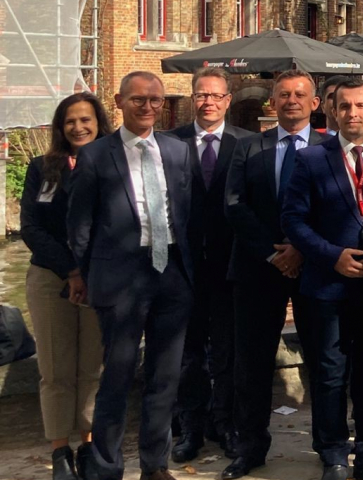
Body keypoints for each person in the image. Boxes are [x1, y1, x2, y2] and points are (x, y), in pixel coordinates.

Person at [69, 71, 198, 480]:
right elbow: (79, 226)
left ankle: (154, 466)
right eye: (139, 100)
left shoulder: (178, 150)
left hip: (172, 272)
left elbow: (188, 212)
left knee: (165, 376)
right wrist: (89, 275)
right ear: (119, 102)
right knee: (118, 376)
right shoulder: (95, 155)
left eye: (155, 101)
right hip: (121, 279)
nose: (147, 107)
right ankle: (106, 467)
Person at [280, 78, 363, 480]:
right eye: (345, 106)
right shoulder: (312, 159)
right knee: (329, 373)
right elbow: (293, 220)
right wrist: (332, 257)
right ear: (332, 111)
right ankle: (332, 453)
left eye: (361, 106)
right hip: (327, 287)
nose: (353, 113)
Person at [221, 69, 328, 480]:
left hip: (314, 267)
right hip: (256, 268)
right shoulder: (249, 148)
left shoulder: (329, 148)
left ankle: (327, 442)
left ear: (314, 103)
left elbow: (334, 209)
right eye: (283, 94)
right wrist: (274, 252)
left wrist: (302, 248)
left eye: (300, 94)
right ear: (273, 102)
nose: (291, 100)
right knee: (251, 363)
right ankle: (249, 448)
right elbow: (234, 205)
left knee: (323, 359)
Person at [21, 92, 110, 480]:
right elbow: (31, 227)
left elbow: (117, 224)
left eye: (86, 120)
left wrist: (89, 273)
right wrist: (71, 271)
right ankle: (60, 451)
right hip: (50, 277)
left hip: (99, 278)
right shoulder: (42, 168)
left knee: (92, 367)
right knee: (55, 370)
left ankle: (89, 445)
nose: (78, 127)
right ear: (60, 127)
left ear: (98, 122)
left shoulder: (113, 164)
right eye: (70, 121)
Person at [167, 67, 253, 464]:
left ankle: (227, 425)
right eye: (202, 95)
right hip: (182, 269)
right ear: (191, 97)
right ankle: (190, 428)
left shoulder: (249, 144)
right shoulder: (170, 144)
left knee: (228, 352)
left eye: (216, 96)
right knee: (187, 355)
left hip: (231, 267)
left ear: (228, 100)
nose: (209, 102)